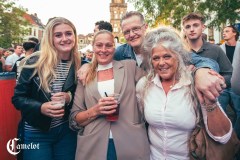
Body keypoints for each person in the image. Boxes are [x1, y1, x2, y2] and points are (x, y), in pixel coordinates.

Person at [136, 26, 232, 159]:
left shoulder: (194, 84)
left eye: (167, 56)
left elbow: (223, 137)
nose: (161, 63)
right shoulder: (144, 85)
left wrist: (210, 102)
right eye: (156, 58)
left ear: (178, 56)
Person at [114, 11, 225, 104]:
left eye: (135, 29)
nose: (132, 34)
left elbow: (206, 61)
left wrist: (201, 72)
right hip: (138, 109)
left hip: (166, 105)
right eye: (127, 32)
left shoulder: (161, 45)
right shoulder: (120, 53)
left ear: (145, 27)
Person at [70, 30, 150, 160]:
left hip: (131, 142)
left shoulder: (129, 67)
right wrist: (95, 110)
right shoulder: (84, 75)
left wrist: (195, 70)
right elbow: (75, 117)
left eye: (108, 45)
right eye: (99, 45)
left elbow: (155, 79)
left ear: (115, 47)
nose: (104, 49)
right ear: (93, 46)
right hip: (94, 144)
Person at [12, 17, 81, 160]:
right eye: (58, 35)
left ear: (74, 35)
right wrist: (40, 107)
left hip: (66, 131)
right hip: (36, 132)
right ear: (50, 38)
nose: (64, 39)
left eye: (68, 33)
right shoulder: (34, 62)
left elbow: (80, 94)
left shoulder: (80, 64)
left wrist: (69, 96)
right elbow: (17, 99)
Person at [181, 12, 233, 110]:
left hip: (213, 102)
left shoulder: (215, 49)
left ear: (203, 27)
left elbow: (229, 73)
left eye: (195, 25)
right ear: (184, 30)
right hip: (186, 104)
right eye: (187, 27)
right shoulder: (179, 52)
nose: (191, 29)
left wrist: (218, 81)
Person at [220, 25, 240, 139]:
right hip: (223, 86)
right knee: (220, 112)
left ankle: (236, 137)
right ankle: (223, 137)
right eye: (223, 31)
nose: (224, 33)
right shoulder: (219, 48)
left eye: (227, 31)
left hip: (237, 86)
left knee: (239, 112)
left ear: (234, 33)